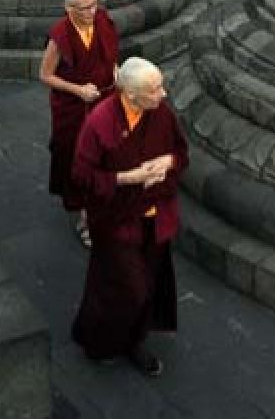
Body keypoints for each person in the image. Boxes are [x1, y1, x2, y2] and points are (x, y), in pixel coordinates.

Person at [70, 57, 188, 378]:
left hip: (155, 214)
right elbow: (82, 175)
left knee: (145, 285)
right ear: (130, 95)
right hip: (116, 219)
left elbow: (181, 152)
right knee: (130, 288)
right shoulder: (100, 121)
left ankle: (134, 342)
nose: (163, 95)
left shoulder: (160, 113)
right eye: (154, 90)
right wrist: (128, 178)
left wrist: (167, 162)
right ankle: (101, 342)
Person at [40, 0, 119, 248]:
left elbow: (111, 56)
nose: (89, 13)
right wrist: (77, 90)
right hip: (74, 108)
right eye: (82, 8)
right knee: (81, 158)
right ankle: (86, 218)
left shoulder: (103, 22)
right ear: (67, 8)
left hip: (105, 99)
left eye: (93, 6)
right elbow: (46, 75)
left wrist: (117, 74)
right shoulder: (60, 35)